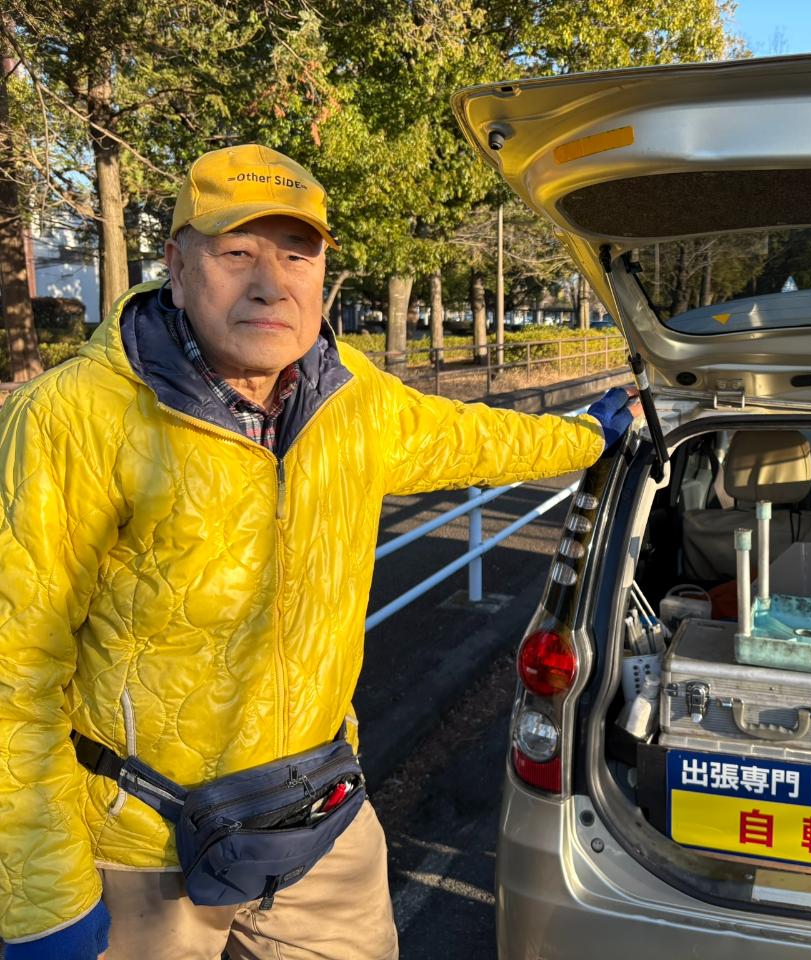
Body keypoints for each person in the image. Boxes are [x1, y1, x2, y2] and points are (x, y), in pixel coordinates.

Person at [0, 144, 639, 959]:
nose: (271, 283)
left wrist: (583, 434)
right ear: (175, 262)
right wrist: (41, 900)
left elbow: (469, 438)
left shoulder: (350, 398)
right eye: (237, 253)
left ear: (322, 269)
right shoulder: (71, 421)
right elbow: (12, 673)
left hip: (320, 817)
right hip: (140, 853)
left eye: (297, 254)